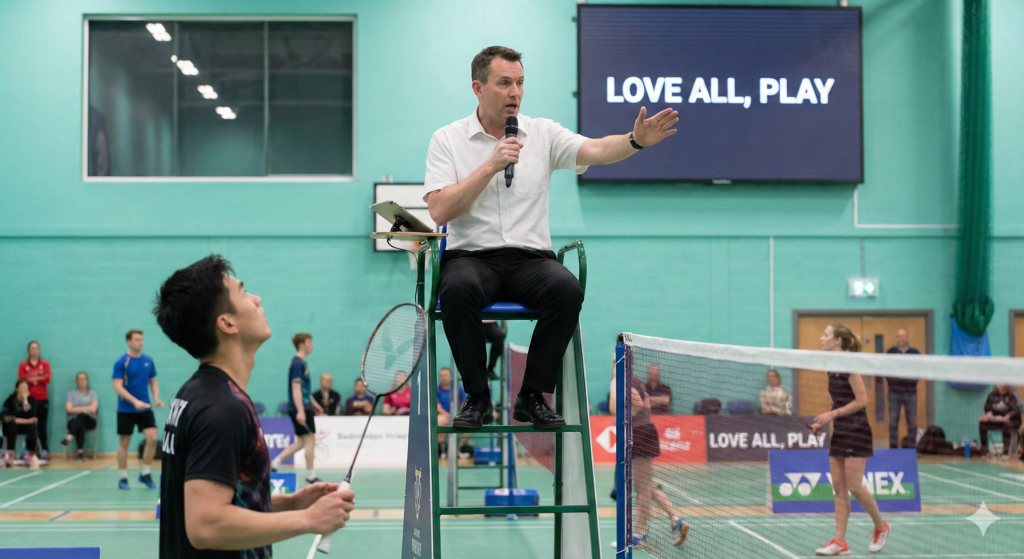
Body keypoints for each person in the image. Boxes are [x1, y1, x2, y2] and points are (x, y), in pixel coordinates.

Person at [425, 46, 678, 429]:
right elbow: (440, 210)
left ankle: (532, 396)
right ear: (478, 88)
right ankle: (477, 398)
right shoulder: (447, 139)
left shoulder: (542, 133)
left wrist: (635, 140)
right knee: (456, 290)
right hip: (472, 259)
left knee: (567, 289)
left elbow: (595, 149)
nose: (515, 92)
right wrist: (490, 165)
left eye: (520, 83)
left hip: (531, 260)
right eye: (504, 83)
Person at [154, 254, 354, 558]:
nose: (257, 299)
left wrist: (293, 503)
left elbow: (229, 500)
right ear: (227, 323)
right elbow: (205, 525)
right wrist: (307, 520)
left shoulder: (198, 392)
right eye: (244, 292)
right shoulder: (222, 409)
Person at [811, 322, 889, 556]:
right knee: (839, 488)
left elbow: (862, 400)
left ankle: (881, 527)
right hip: (841, 430)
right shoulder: (831, 368)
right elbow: (838, 401)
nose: (821, 338)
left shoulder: (850, 366)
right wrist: (823, 422)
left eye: (826, 335)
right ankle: (840, 542)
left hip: (857, 430)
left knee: (854, 486)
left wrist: (831, 415)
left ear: (838, 341)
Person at [617, 379, 689, 548]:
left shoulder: (629, 386)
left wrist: (626, 417)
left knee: (643, 488)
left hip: (640, 433)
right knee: (646, 484)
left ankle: (639, 533)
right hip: (643, 431)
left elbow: (639, 404)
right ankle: (676, 518)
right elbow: (646, 405)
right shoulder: (639, 385)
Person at [113, 329, 164, 490]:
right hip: (125, 409)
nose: (140, 342)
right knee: (124, 443)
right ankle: (123, 477)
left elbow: (153, 381)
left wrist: (156, 398)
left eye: (141, 339)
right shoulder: (122, 362)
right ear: (129, 342)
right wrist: (134, 402)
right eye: (136, 340)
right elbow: (117, 387)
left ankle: (145, 473)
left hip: (145, 408)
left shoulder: (148, 360)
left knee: (152, 438)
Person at [271, 333, 324, 484]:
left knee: (301, 442)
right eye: (309, 342)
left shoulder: (302, 362)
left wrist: (315, 404)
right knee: (310, 441)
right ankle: (311, 476)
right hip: (300, 407)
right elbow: (296, 388)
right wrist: (301, 411)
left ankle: (275, 462)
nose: (312, 345)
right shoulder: (297, 364)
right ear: (301, 345)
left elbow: (303, 389)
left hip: (303, 405)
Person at [885, 328, 921, 448]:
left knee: (912, 422)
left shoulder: (915, 353)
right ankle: (893, 449)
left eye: (904, 336)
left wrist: (911, 382)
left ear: (907, 337)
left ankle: (911, 449)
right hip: (894, 393)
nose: (901, 338)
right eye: (899, 336)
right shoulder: (890, 353)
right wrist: (893, 383)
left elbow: (919, 369)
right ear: (897, 338)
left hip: (911, 393)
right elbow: (886, 370)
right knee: (893, 422)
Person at [18, 341, 51, 460]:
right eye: (32, 348)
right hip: (29, 400)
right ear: (28, 351)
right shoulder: (23, 365)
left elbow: (47, 378)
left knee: (42, 425)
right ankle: (29, 450)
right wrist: (37, 379)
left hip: (42, 399)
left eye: (36, 348)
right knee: (30, 424)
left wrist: (31, 379)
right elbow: (22, 379)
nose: (34, 351)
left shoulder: (45, 364)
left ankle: (44, 450)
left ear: (39, 350)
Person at [978, 384, 1021, 460]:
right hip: (994, 420)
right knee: (982, 424)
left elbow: (1015, 410)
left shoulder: (1011, 396)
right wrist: (988, 414)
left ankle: (1005, 453)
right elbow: (987, 408)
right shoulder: (991, 395)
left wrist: (1009, 415)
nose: (1001, 384)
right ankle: (985, 450)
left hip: (1007, 421)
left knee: (1007, 425)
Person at [61, 371, 98, 461]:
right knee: (80, 423)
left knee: (81, 417)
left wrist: (78, 409)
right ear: (77, 381)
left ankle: (69, 437)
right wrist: (86, 409)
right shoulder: (71, 394)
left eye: (84, 379)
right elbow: (69, 409)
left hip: (89, 420)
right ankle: (80, 452)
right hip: (74, 420)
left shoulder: (92, 394)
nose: (82, 381)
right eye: (80, 379)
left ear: (87, 380)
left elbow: (93, 409)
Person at [436, 367, 471, 458]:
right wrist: (448, 415)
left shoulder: (458, 389)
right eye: (441, 376)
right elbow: (437, 407)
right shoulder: (436, 390)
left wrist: (459, 415)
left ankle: (457, 449)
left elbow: (464, 404)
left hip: (457, 416)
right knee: (439, 420)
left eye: (446, 375)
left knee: (472, 423)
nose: (443, 378)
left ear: (451, 377)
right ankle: (442, 450)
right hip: (444, 416)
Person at [2, 380, 40, 461]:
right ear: (17, 389)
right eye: (22, 387)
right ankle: (11, 452)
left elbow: (33, 416)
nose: (24, 390)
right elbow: (9, 418)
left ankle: (30, 452)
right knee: (12, 425)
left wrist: (25, 400)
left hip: (25, 427)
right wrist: (28, 421)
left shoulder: (31, 400)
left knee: (32, 427)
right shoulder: (10, 400)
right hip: (12, 427)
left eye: (26, 388)